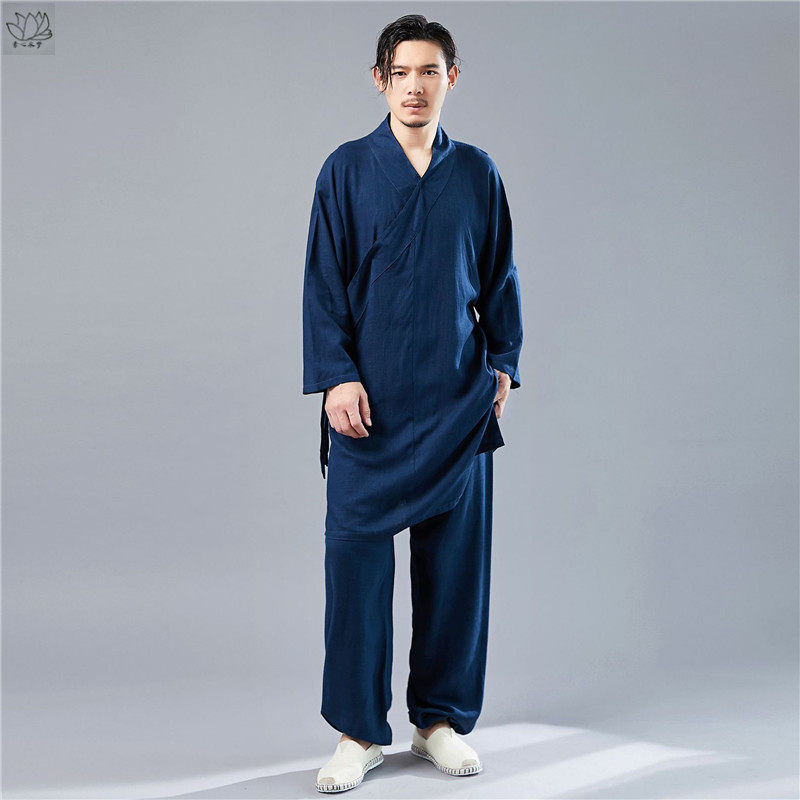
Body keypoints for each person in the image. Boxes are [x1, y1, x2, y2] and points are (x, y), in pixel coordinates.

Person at [302, 14, 523, 793]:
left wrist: (503, 363)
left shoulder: (478, 174)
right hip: (369, 408)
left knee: (456, 572)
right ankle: (358, 732)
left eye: (430, 71)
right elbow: (322, 284)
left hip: (457, 404)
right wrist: (336, 376)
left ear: (450, 78)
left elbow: (499, 276)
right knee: (354, 567)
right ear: (380, 80)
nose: (415, 87)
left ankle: (439, 722)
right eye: (401, 73)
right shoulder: (345, 171)